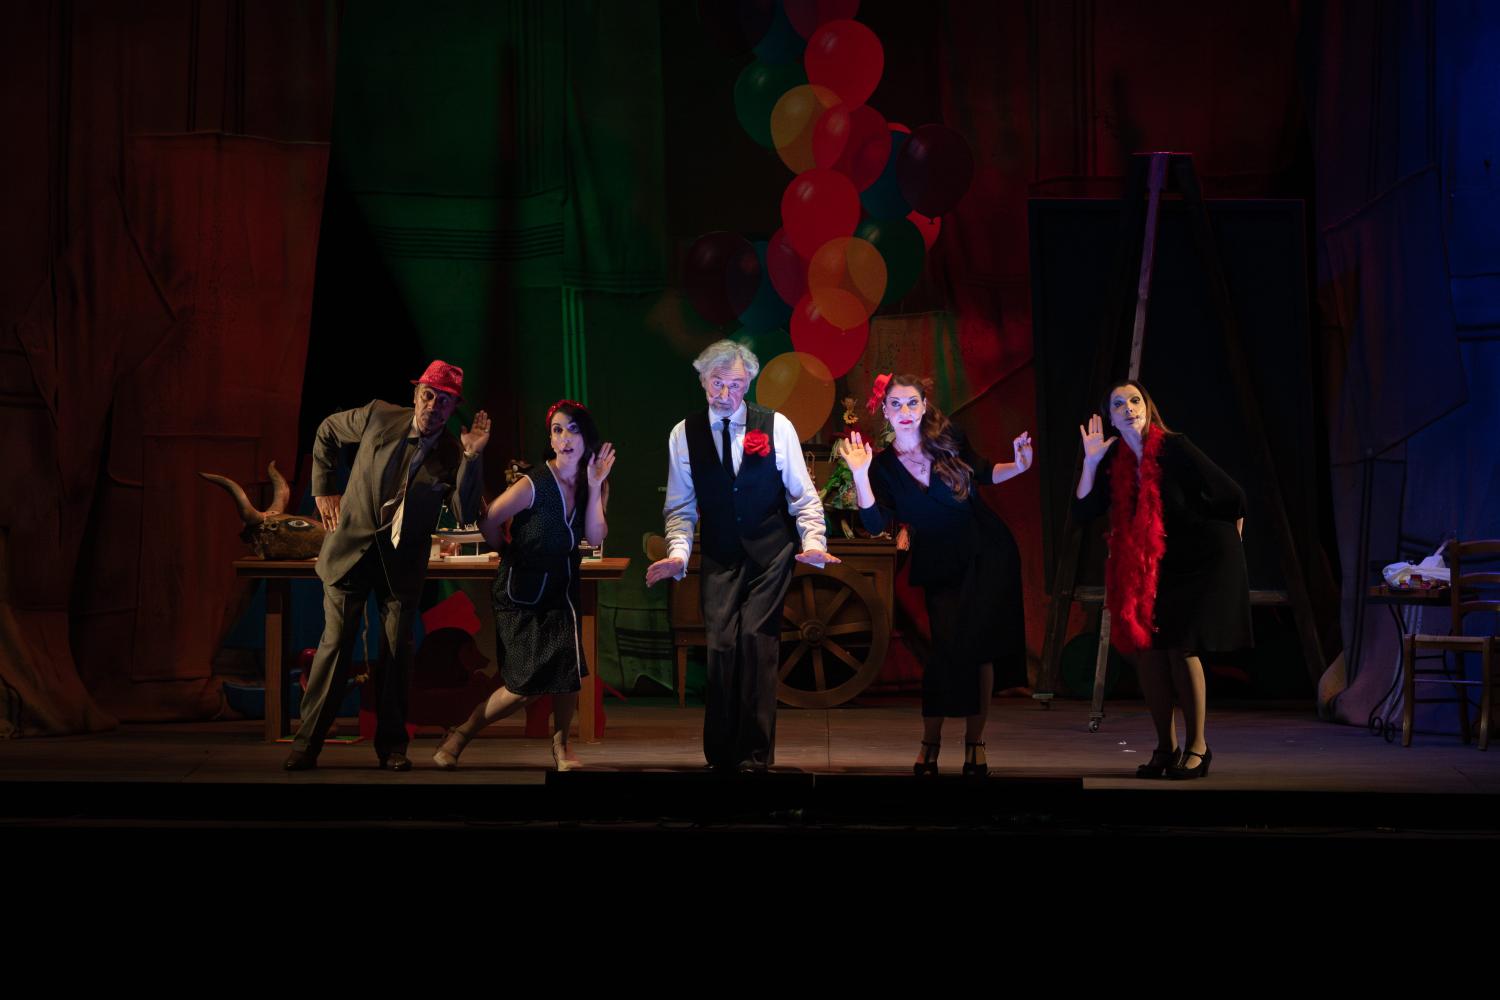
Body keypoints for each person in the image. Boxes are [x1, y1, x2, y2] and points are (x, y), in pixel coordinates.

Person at [284, 360, 488, 771]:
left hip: (400, 565)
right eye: (428, 396)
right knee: (336, 645)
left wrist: (471, 456)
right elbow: (327, 431)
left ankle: (393, 747)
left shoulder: (452, 452)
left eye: (444, 402)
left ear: (453, 409)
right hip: (352, 552)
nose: (433, 406)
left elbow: (465, 512)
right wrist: (324, 487)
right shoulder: (379, 416)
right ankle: (306, 744)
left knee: (397, 652)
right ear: (416, 394)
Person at [645, 340, 837, 773]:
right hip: (720, 554)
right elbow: (680, 507)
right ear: (702, 380)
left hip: (770, 552)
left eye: (735, 384)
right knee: (722, 645)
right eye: (717, 382)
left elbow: (803, 496)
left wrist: (814, 543)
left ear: (748, 382)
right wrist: (678, 554)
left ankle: (754, 756)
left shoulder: (776, 426)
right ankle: (721, 756)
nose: (725, 393)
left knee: (755, 640)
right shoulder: (684, 434)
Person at [839, 374, 1032, 777]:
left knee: (979, 650)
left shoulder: (950, 438)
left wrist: (1019, 466)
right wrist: (859, 473)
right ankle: (931, 741)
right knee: (946, 650)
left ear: (924, 405)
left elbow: (984, 472)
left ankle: (975, 744)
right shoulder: (882, 467)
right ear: (885, 411)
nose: (905, 411)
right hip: (940, 562)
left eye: (912, 402)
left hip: (986, 553)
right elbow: (875, 524)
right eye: (896, 404)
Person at [1073, 380, 1251, 779]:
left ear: (1148, 407)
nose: (1129, 408)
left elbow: (1233, 495)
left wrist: (1231, 547)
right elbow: (1083, 512)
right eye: (1119, 404)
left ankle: (1198, 747)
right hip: (1155, 568)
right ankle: (1165, 748)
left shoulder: (1173, 447)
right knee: (1149, 653)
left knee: (1181, 648)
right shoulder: (1114, 458)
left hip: (1197, 559)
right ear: (1111, 418)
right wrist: (1090, 462)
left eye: (1135, 400)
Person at [432, 400, 614, 771]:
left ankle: (562, 747)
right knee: (524, 686)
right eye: (557, 430)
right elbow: (489, 520)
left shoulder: (593, 481)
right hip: (523, 592)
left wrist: (596, 487)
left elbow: (595, 536)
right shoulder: (534, 483)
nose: (565, 438)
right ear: (551, 439)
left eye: (573, 429)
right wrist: (507, 550)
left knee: (567, 672)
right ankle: (461, 734)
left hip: (562, 587)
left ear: (587, 437)